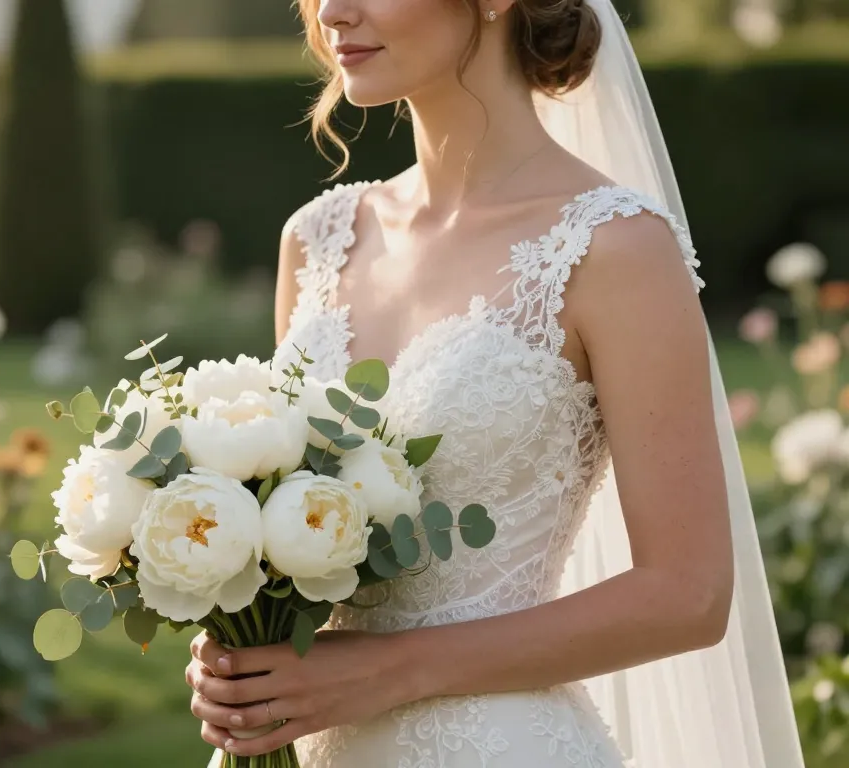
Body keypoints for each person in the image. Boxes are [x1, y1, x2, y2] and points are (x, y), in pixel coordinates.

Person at [185, 1, 806, 766]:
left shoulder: (613, 248)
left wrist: (386, 671)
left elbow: (687, 594)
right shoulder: (317, 240)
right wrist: (241, 651)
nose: (333, 12)